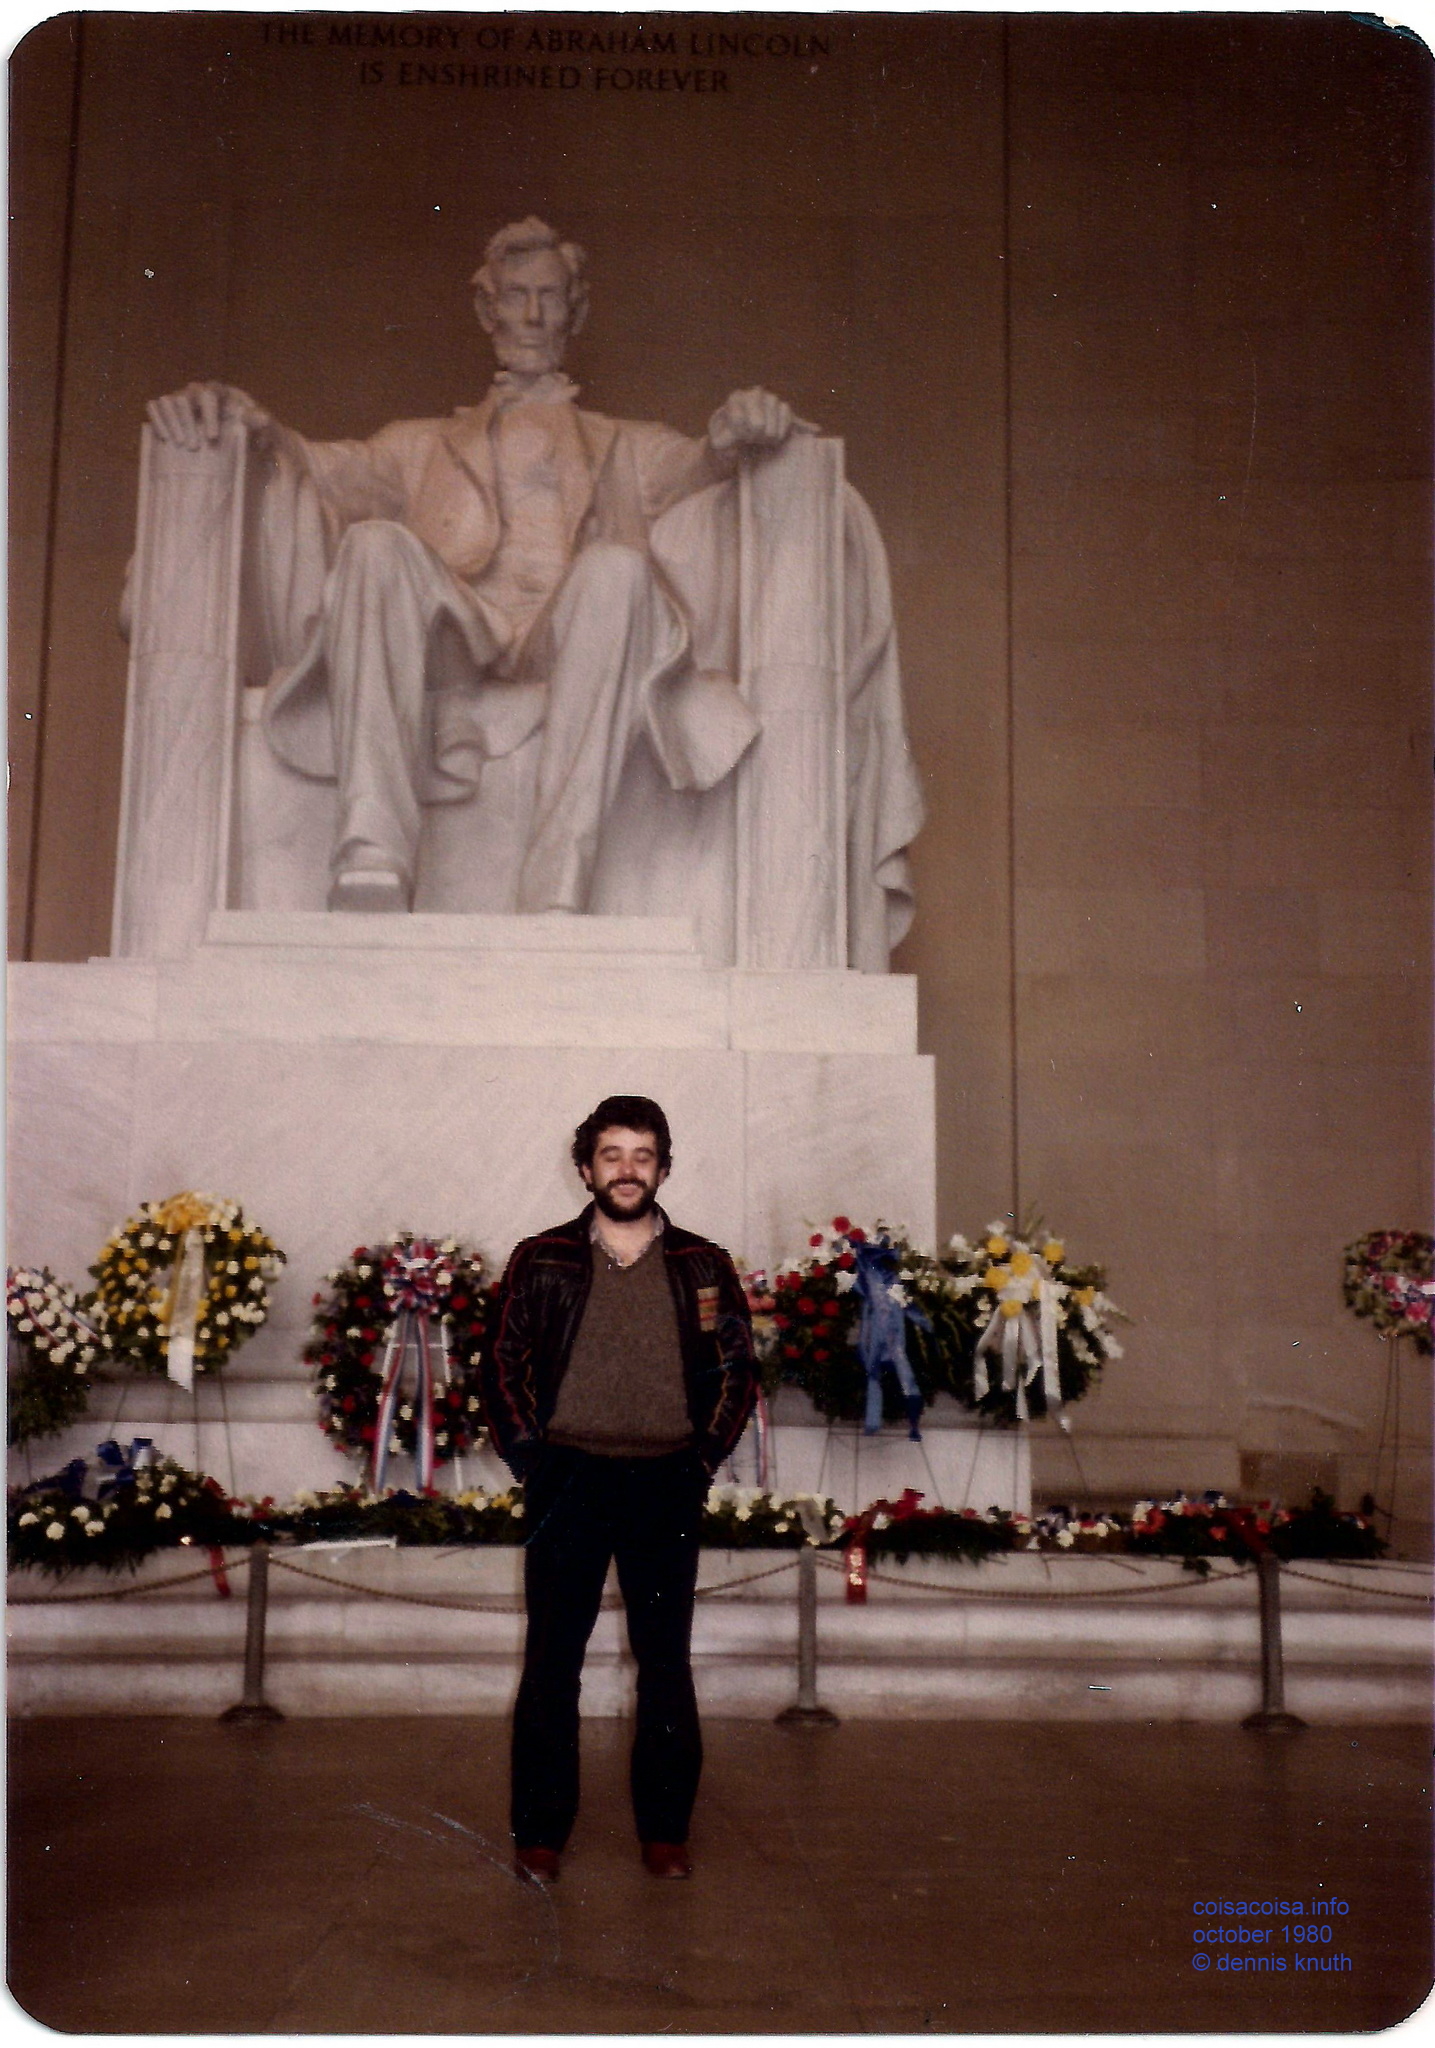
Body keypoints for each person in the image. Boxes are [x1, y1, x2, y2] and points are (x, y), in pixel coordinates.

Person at [145, 217, 797, 915]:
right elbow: (318, 468)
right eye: (516, 296)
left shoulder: (629, 447)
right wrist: (256, 426)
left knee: (617, 569)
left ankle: (557, 883)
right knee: (373, 546)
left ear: (575, 311)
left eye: (549, 297)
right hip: (456, 639)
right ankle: (372, 854)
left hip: (571, 639)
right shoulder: (417, 446)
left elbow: (702, 463)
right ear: (487, 309)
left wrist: (737, 433)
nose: (533, 315)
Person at [481, 1094, 758, 1883]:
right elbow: (497, 1365)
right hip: (567, 1480)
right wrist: (532, 1459)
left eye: (642, 1155)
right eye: (612, 1154)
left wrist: (702, 1459)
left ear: (663, 1169)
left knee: (664, 1662)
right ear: (585, 1168)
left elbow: (739, 1370)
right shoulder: (541, 1259)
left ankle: (664, 1832)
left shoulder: (703, 1264)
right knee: (550, 1662)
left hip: (666, 1480)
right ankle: (540, 1834)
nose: (627, 1170)